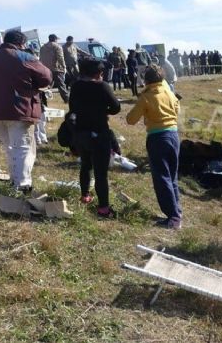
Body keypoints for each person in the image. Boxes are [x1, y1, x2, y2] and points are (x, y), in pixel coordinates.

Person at [0, 30, 52, 193]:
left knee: (9, 147)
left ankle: (14, 180)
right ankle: (22, 186)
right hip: (19, 109)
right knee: (23, 147)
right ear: (22, 44)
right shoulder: (25, 57)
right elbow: (46, 77)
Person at [126, 65, 183, 229]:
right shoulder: (169, 92)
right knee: (172, 176)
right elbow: (177, 109)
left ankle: (173, 217)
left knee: (162, 178)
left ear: (146, 81)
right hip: (173, 135)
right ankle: (176, 210)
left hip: (158, 138)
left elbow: (130, 119)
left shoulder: (146, 97)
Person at [68, 59, 121, 218]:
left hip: (81, 133)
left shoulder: (76, 86)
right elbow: (116, 107)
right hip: (99, 133)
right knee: (100, 173)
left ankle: (85, 195)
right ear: (98, 73)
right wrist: (104, 110)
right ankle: (103, 208)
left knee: (85, 165)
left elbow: (72, 107)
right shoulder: (102, 86)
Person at [39, 34, 69, 103]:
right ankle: (67, 99)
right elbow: (60, 58)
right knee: (61, 85)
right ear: (55, 39)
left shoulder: (43, 47)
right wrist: (64, 67)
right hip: (56, 69)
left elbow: (40, 58)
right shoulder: (57, 46)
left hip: (46, 69)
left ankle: (43, 99)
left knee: (47, 85)